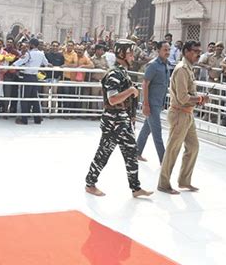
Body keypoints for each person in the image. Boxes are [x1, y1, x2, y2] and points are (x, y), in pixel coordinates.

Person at [85, 39, 153, 198]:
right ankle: (90, 183)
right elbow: (112, 99)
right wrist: (130, 91)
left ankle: (136, 188)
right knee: (104, 153)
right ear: (121, 54)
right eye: (129, 54)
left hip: (123, 121)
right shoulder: (115, 73)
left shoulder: (122, 71)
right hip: (113, 122)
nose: (132, 57)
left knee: (131, 153)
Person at [157, 40, 209, 195]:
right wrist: (199, 99)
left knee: (193, 147)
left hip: (188, 113)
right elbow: (182, 97)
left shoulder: (189, 69)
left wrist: (198, 99)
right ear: (186, 51)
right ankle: (163, 183)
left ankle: (184, 180)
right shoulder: (181, 69)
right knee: (173, 149)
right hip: (180, 113)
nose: (198, 54)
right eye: (195, 51)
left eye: (200, 51)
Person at [136, 41, 170, 164]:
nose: (167, 52)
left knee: (147, 128)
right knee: (157, 131)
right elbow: (145, 84)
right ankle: (164, 160)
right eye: (165, 50)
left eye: (168, 49)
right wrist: (145, 104)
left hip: (158, 102)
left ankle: (137, 152)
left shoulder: (166, 65)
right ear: (158, 50)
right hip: (151, 103)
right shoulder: (153, 65)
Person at [13, 38, 52, 125]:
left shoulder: (29, 54)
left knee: (25, 98)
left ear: (32, 45)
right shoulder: (41, 54)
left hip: (27, 77)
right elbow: (46, 64)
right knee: (34, 99)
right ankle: (37, 119)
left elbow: (21, 61)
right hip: (35, 78)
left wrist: (13, 64)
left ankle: (24, 120)